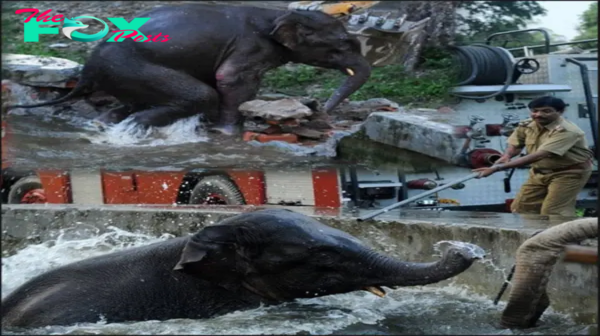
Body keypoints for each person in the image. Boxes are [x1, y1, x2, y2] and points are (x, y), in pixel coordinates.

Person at [472, 96, 594, 217]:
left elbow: (539, 155)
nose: (538, 114)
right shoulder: (527, 125)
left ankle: (564, 236)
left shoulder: (568, 131)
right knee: (521, 207)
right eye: (535, 111)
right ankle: (536, 235)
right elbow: (516, 143)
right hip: (539, 172)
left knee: (553, 211)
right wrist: (507, 155)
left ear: (560, 112)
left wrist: (497, 168)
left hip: (569, 173)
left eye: (546, 111)